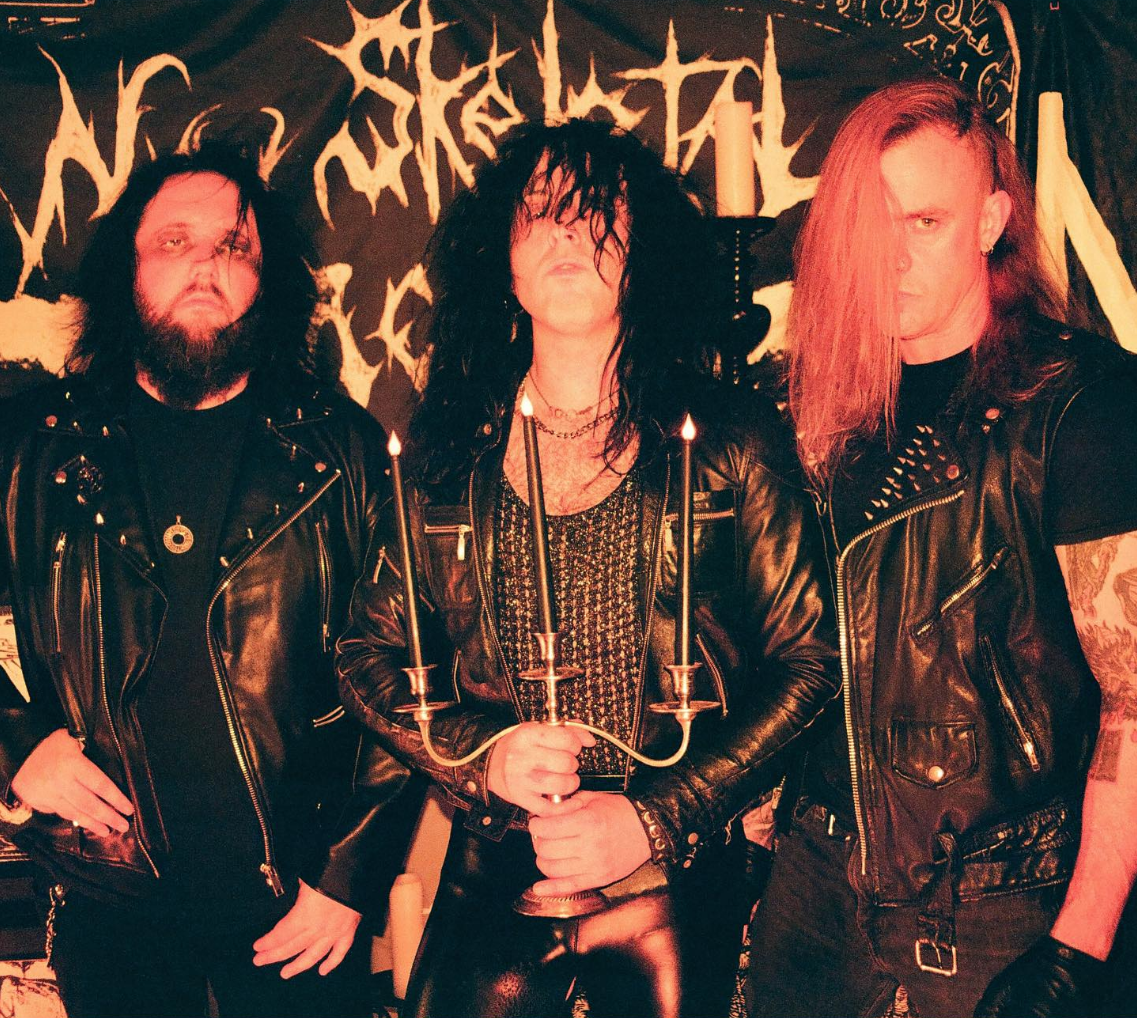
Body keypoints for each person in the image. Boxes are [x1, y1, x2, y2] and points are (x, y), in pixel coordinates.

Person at [335, 118, 838, 1018]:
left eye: (595, 212)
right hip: (496, 870)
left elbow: (811, 663)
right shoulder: (447, 457)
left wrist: (654, 816)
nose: (565, 232)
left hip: (684, 873)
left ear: (643, 255)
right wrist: (480, 757)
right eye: (539, 212)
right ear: (503, 260)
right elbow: (366, 655)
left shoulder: (729, 441)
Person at [745, 75, 1137, 1018]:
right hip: (816, 878)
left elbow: (1133, 703)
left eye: (923, 222)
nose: (890, 257)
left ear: (990, 219)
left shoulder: (1076, 407)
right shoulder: (816, 405)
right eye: (868, 225)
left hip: (995, 898)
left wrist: (1076, 946)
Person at [0, 146, 420, 1018]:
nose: (205, 264)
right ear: (126, 270)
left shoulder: (340, 448)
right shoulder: (34, 447)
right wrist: (13, 746)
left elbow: (409, 674)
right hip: (108, 905)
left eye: (234, 247)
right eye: (174, 241)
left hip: (299, 912)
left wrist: (347, 874)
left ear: (268, 282)